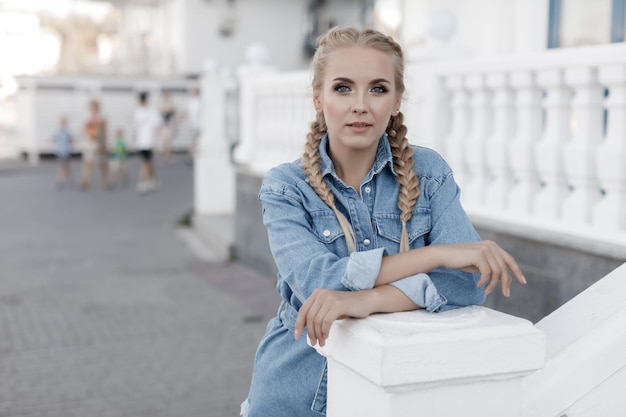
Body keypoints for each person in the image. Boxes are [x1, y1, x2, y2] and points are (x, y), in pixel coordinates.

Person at [240, 27, 526, 417]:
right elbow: (318, 284)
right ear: (317, 98)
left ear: (396, 100)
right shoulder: (286, 187)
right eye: (343, 88)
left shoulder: (429, 173)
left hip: (397, 392)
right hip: (296, 389)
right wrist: (436, 255)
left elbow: (466, 284)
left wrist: (365, 299)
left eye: (377, 88)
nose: (361, 105)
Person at [133, 91, 161, 194]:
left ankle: (142, 182)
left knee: (145, 162)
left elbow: (156, 127)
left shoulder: (151, 112)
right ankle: (153, 180)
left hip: (149, 141)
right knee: (148, 162)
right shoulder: (137, 112)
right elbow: (136, 128)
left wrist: (155, 141)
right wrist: (135, 140)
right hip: (141, 141)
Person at [79, 99, 109, 190]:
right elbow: (83, 130)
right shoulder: (87, 118)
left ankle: (104, 179)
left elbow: (104, 132)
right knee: (87, 162)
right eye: (90, 107)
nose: (91, 109)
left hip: (98, 143)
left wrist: (105, 144)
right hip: (89, 143)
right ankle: (85, 181)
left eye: (93, 107)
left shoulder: (101, 118)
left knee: (102, 163)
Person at [52, 115, 74, 188]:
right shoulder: (57, 131)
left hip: (66, 150)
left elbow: (72, 140)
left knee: (66, 166)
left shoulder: (68, 132)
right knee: (60, 165)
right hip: (59, 151)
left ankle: (69, 178)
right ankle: (61, 179)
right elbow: (54, 139)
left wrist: (72, 146)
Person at [159, 91, 176, 162]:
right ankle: (165, 154)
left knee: (169, 140)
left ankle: (168, 154)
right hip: (164, 124)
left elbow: (172, 111)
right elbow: (162, 111)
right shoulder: (162, 104)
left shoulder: (170, 104)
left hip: (169, 123)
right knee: (164, 140)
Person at [185, 86, 201, 163]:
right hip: (193, 123)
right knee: (194, 140)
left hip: (199, 123)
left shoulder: (200, 100)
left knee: (196, 140)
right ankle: (192, 155)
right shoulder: (192, 101)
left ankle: (192, 155)